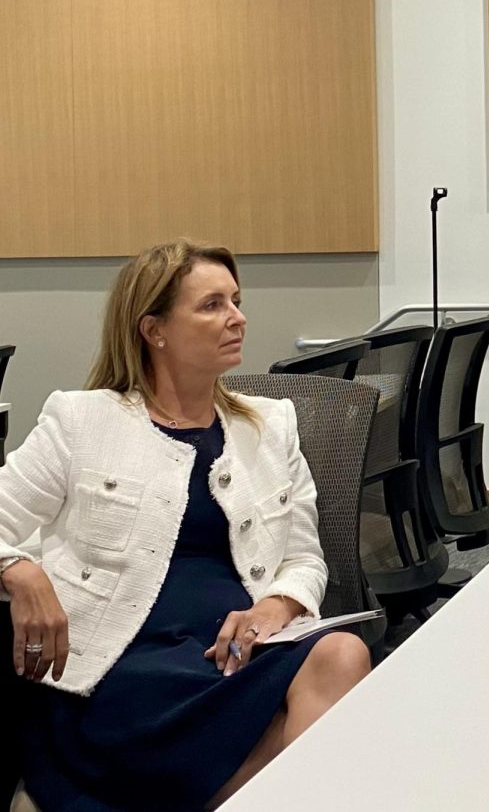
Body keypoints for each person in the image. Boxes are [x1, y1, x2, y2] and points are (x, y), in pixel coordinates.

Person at [0, 240, 372, 811]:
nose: (238, 317)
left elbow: (304, 556)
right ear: (154, 330)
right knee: (311, 740)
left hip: (239, 646)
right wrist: (21, 571)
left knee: (344, 654)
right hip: (123, 657)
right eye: (212, 305)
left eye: (237, 300)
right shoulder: (83, 420)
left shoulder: (271, 425)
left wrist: (277, 606)